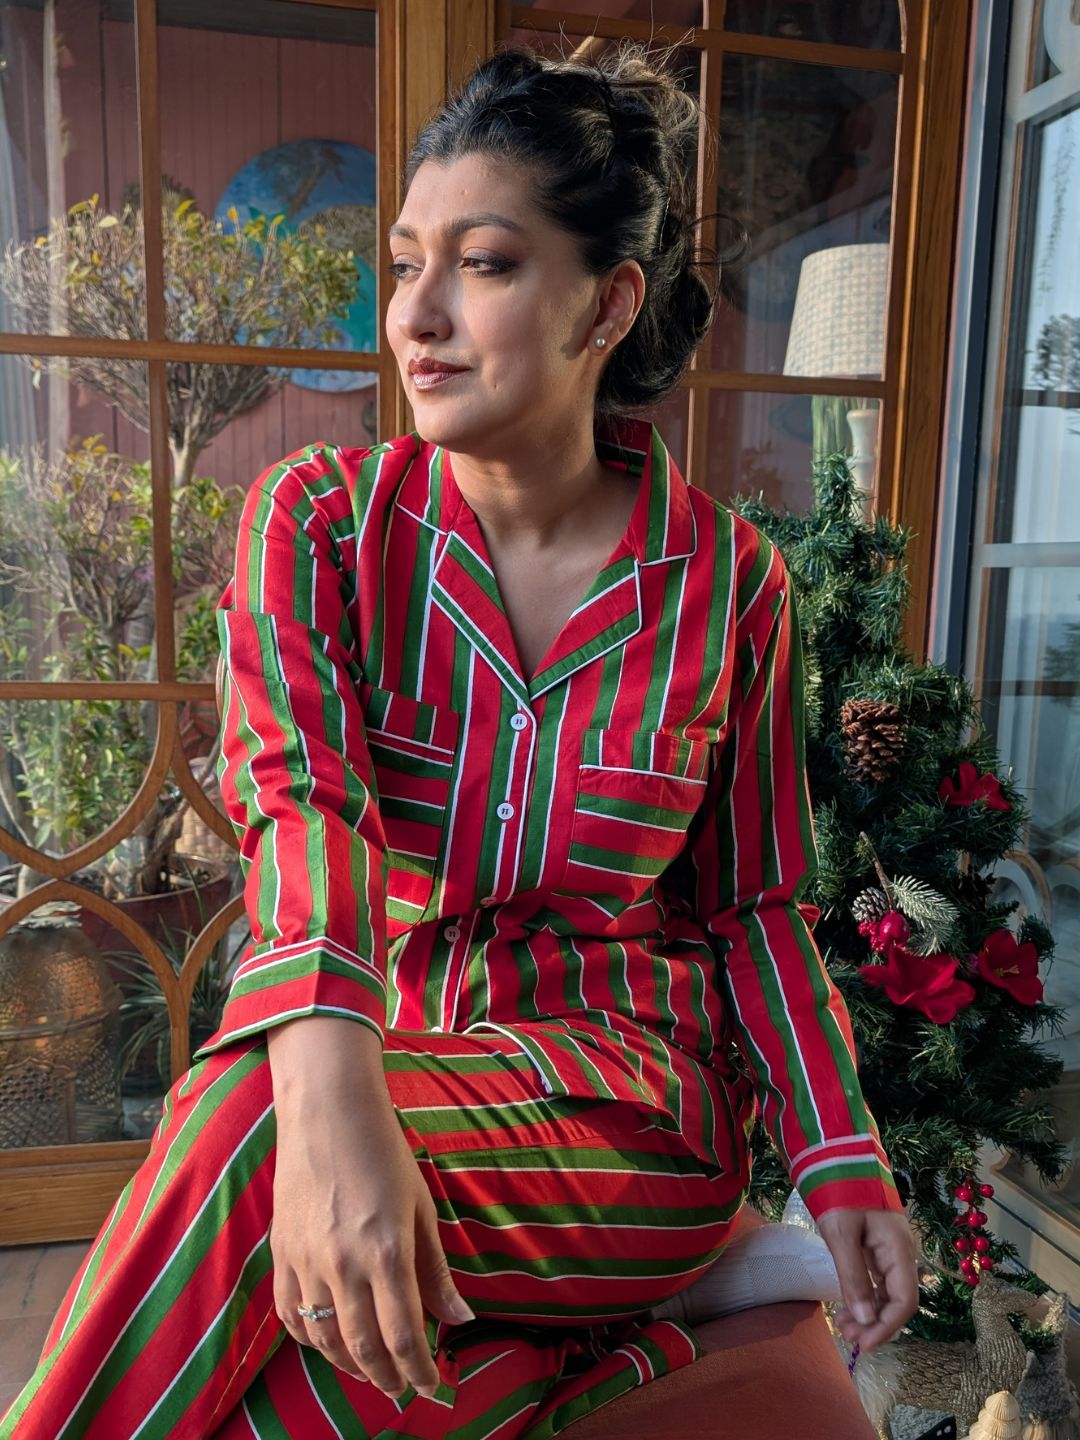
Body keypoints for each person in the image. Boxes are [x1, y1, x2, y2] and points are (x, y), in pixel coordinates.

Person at [1, 40, 918, 1440]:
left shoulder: (732, 586)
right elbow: (301, 806)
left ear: (607, 303)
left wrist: (844, 1159)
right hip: (397, 1063)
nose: (414, 316)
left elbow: (757, 905)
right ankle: (610, 1365)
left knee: (243, 1125)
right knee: (314, 1392)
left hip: (628, 1116)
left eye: (482, 264)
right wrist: (336, 1104)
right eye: (402, 262)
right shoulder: (318, 523)